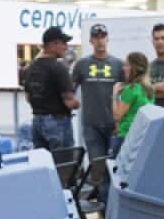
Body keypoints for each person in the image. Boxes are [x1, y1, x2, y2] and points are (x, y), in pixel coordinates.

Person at [71, 23, 123, 165]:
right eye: (96, 37)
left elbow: (127, 96)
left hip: (114, 125)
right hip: (91, 125)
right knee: (97, 167)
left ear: (107, 39)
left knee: (114, 166)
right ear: (91, 41)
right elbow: (70, 90)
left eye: (103, 37)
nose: (100, 40)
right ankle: (100, 188)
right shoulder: (81, 65)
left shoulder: (119, 65)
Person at [23, 26, 79, 151]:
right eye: (63, 43)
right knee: (64, 164)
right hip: (57, 122)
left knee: (44, 164)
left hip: (37, 121)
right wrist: (78, 103)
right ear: (53, 44)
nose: (66, 47)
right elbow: (69, 102)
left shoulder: (31, 67)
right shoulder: (59, 68)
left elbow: (27, 97)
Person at [110, 51, 154, 159]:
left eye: (126, 65)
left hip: (125, 138)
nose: (123, 68)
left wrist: (115, 93)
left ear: (134, 68)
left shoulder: (131, 89)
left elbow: (117, 116)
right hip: (141, 138)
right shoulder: (149, 89)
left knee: (116, 174)